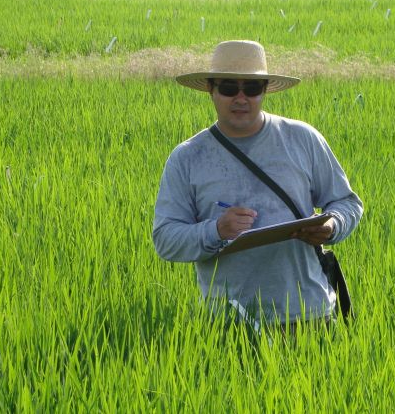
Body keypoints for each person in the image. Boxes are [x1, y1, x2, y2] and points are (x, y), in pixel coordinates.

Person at [153, 40, 363, 326]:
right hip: (231, 321)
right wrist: (216, 230)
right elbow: (165, 239)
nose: (241, 98)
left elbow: (347, 202)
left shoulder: (302, 138)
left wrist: (331, 226)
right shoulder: (188, 157)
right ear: (211, 90)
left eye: (251, 89)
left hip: (310, 314)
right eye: (228, 88)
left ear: (264, 91)